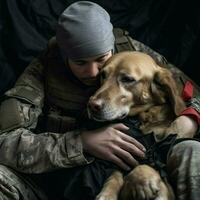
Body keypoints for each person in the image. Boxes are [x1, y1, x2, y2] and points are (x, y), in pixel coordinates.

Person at [0, 1, 200, 199]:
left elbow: (186, 91)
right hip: (56, 178)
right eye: (80, 63)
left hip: (136, 167)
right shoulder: (42, 71)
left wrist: (191, 117)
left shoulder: (130, 51)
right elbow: (4, 142)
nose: (94, 72)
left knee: (193, 152)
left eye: (101, 59)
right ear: (64, 55)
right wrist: (80, 143)